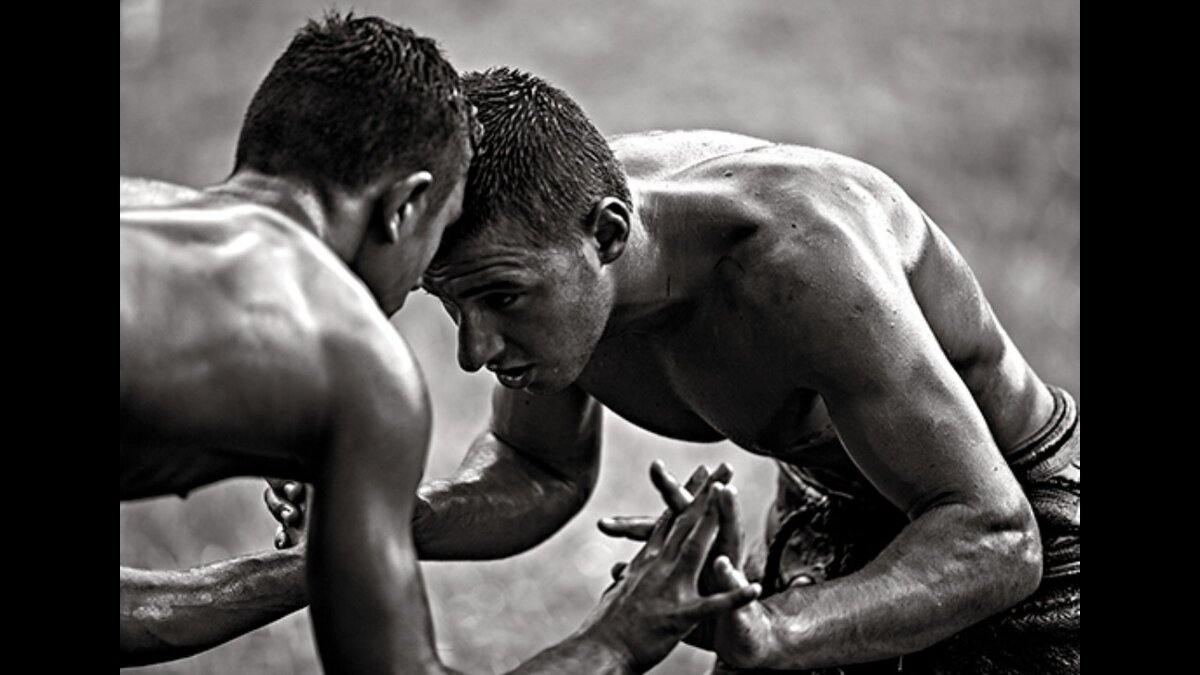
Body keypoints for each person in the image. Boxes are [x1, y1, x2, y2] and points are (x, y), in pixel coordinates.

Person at [273, 66, 1077, 673]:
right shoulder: (547, 246)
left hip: (1013, 511)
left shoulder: (797, 261)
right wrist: (380, 509)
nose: (474, 348)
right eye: (448, 302)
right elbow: (536, 468)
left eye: (500, 298)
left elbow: (997, 535)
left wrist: (775, 629)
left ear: (610, 233)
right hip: (829, 504)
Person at [121, 16, 758, 673]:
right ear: (404, 207)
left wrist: (323, 556)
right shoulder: (350, 356)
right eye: (443, 229)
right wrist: (616, 638)